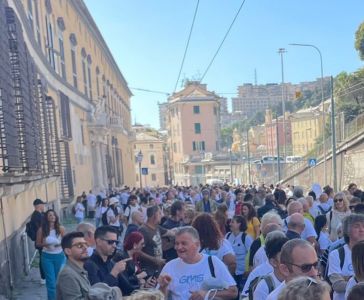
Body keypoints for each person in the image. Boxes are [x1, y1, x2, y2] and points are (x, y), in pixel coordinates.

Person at [158, 226, 238, 299]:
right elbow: (159, 297)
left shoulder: (213, 262)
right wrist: (163, 287)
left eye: (184, 243)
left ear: (197, 244)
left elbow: (233, 291)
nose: (179, 247)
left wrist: (206, 294)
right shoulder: (170, 266)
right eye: (177, 243)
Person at [83, 225, 129, 295]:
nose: (114, 245)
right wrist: (114, 273)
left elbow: (127, 288)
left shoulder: (111, 262)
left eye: (116, 242)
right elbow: (97, 294)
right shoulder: (89, 264)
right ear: (98, 241)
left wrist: (143, 284)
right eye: (110, 242)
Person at [328, 214, 364, 300]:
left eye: (363, 226)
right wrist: (357, 279)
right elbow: (337, 285)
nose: (362, 230)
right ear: (347, 231)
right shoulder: (336, 254)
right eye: (356, 226)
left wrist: (348, 278)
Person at [36, 209, 66, 300]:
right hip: (47, 257)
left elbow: (66, 242)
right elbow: (37, 244)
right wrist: (45, 244)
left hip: (59, 256)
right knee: (51, 283)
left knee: (58, 281)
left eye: (53, 215)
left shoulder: (61, 228)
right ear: (46, 217)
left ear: (56, 217)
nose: (52, 216)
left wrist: (59, 244)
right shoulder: (41, 230)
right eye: (50, 215)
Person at [251, 232, 288, 300]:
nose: (289, 260)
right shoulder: (264, 287)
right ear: (273, 262)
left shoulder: (300, 278)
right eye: (283, 257)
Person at [56, 232, 91, 299]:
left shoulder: (79, 270)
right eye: (80, 245)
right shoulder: (68, 275)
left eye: (86, 244)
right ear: (68, 251)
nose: (85, 247)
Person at [138, 205, 171, 276]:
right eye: (159, 213)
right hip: (148, 271)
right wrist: (154, 259)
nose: (161, 216)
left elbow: (171, 232)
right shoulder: (143, 231)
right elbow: (137, 251)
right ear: (154, 215)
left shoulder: (157, 228)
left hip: (158, 270)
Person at [225, 215, 253, 289]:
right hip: (230, 272)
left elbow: (251, 254)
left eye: (232, 222)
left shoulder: (246, 237)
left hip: (242, 273)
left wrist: (248, 270)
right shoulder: (227, 236)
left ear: (239, 224)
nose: (230, 224)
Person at [29, 198, 46, 284]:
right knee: (43, 259)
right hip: (40, 241)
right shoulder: (36, 216)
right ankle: (43, 277)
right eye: (43, 204)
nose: (44, 206)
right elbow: (39, 229)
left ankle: (44, 276)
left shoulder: (40, 214)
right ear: (39, 205)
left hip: (41, 241)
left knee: (44, 258)